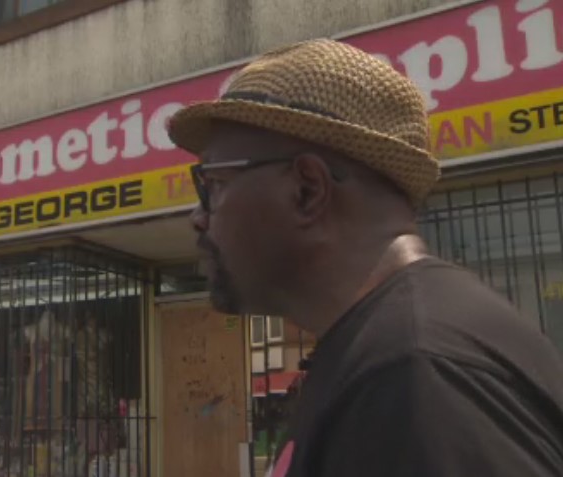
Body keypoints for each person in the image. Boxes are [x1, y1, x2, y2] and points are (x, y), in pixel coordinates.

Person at [167, 38, 563, 476]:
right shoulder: (389, 350)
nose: (198, 217)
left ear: (307, 191)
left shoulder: (414, 373)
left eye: (214, 185)